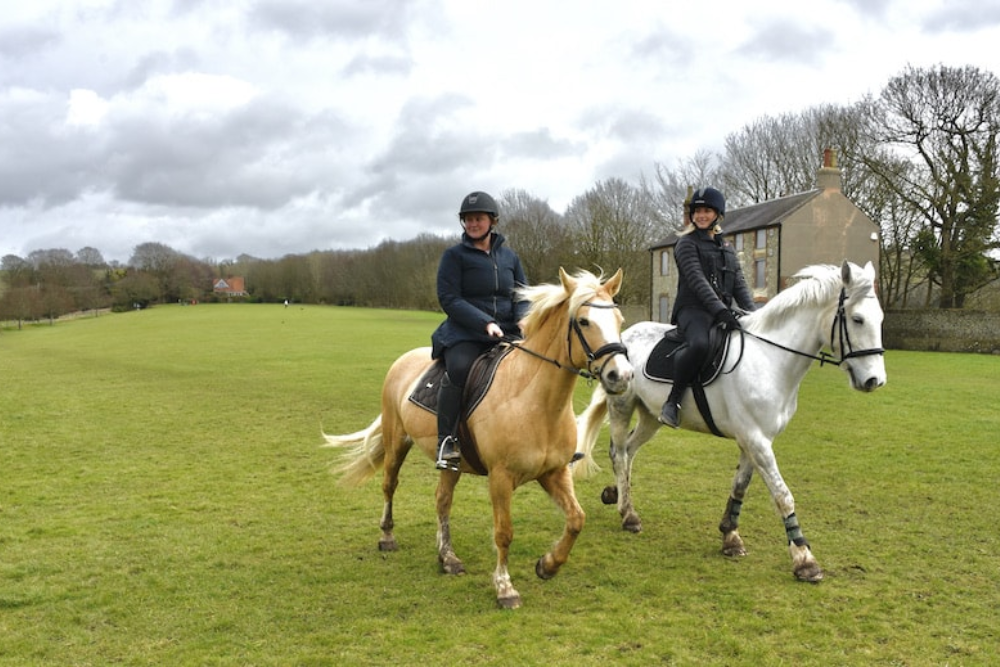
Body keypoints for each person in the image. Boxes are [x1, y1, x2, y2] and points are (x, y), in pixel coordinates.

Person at [430, 191, 529, 470]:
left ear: (492, 221)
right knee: (459, 369)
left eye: (478, 218)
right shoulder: (454, 256)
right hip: (465, 333)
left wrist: (523, 318)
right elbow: (449, 298)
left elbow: (522, 294)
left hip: (508, 332)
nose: (473, 224)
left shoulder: (510, 257)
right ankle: (446, 442)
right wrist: (485, 322)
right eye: (468, 219)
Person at [659, 186, 757, 428]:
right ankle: (672, 401)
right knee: (700, 344)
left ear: (718, 215)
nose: (701, 215)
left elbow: (739, 284)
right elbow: (697, 282)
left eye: (707, 211)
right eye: (697, 211)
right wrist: (721, 311)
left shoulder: (727, 248)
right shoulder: (685, 244)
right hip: (693, 310)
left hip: (722, 311)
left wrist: (756, 316)